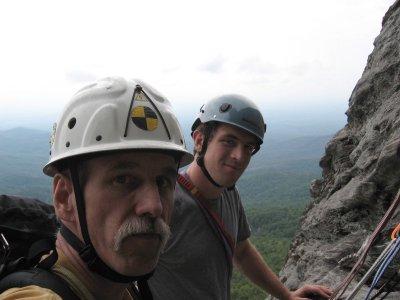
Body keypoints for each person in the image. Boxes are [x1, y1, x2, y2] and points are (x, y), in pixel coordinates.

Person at [0, 77, 193, 300]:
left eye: (163, 182)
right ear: (64, 198)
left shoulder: (123, 289)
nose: (154, 205)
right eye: (123, 179)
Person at [148, 94, 333, 299]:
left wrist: (287, 296)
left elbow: (242, 251)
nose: (239, 156)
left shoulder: (228, 193)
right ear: (199, 141)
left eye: (248, 147)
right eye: (229, 141)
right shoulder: (167, 205)